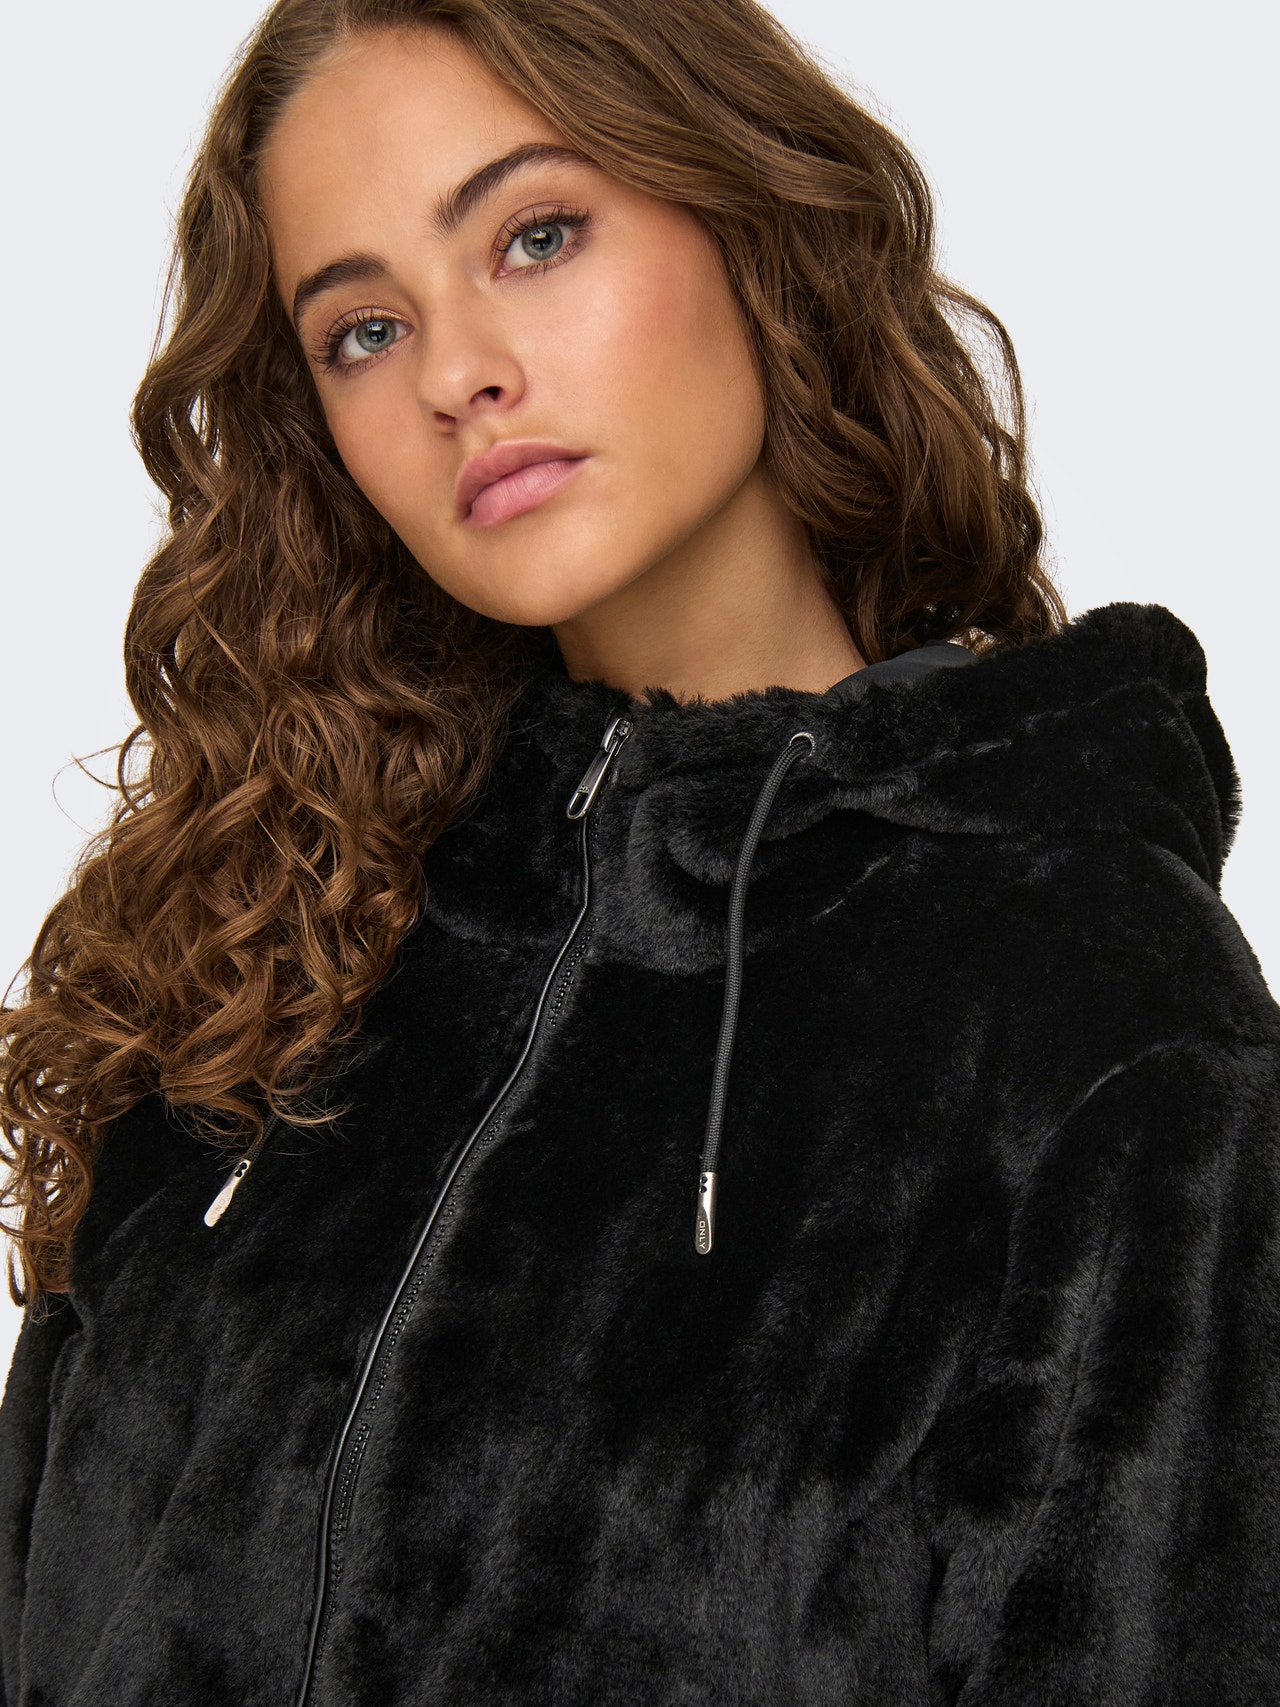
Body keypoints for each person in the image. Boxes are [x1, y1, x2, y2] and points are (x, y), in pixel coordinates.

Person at [2, 0, 1277, 1702]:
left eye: (535, 237)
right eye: (364, 329)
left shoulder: (1093, 1018)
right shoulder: (266, 946)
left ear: (746, 215)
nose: (457, 373)